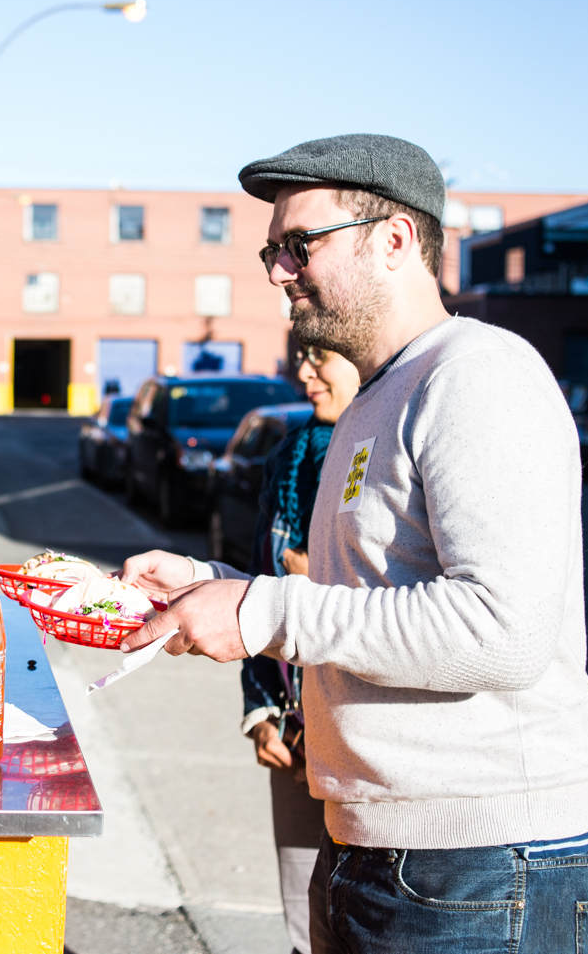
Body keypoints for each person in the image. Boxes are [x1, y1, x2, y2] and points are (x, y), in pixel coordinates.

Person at [121, 134, 588, 953]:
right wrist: (210, 584)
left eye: (298, 245)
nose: (279, 270)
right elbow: (358, 594)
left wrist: (261, 607)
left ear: (395, 240)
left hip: (485, 868)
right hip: (383, 850)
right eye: (271, 250)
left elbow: (504, 630)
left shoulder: (478, 374)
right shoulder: (375, 400)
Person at [239, 345, 360, 954]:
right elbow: (256, 593)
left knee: (359, 922)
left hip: (359, 730)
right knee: (302, 924)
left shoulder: (385, 450)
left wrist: (321, 586)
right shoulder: (288, 455)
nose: (305, 374)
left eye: (321, 359)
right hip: (292, 729)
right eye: (302, 358)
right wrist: (260, 713)